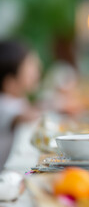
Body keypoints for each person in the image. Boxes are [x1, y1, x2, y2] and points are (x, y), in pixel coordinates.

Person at [0, 40, 41, 171]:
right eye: (29, 67)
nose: (37, 70)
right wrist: (56, 105)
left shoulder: (18, 98)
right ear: (10, 83)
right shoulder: (4, 103)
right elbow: (21, 116)